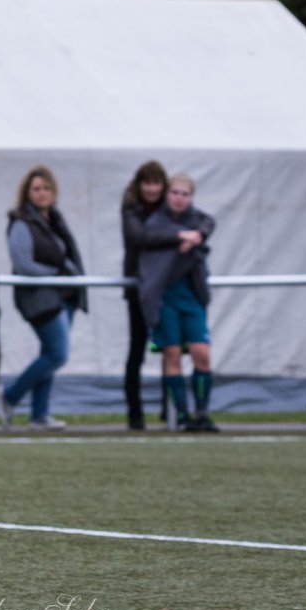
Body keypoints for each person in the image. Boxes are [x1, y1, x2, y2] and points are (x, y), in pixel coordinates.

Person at [0, 166, 86, 431]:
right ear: (27, 193)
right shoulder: (21, 222)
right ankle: (10, 395)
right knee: (58, 353)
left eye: (46, 188)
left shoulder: (54, 221)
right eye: (36, 189)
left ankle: (39, 414)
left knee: (49, 354)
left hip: (64, 296)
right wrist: (58, 274)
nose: (42, 193)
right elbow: (24, 264)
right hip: (40, 298)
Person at [139, 173, 218, 432]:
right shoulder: (156, 223)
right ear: (167, 194)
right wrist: (181, 237)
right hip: (165, 298)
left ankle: (202, 412)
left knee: (201, 354)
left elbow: (208, 223)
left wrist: (196, 236)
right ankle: (182, 416)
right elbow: (150, 239)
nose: (179, 198)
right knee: (171, 354)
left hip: (191, 298)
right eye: (175, 192)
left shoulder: (199, 222)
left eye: (184, 194)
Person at [120, 161, 170, 430]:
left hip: (165, 288)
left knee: (167, 348)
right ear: (139, 185)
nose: (152, 188)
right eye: (147, 183)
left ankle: (169, 408)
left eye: (156, 183)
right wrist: (177, 236)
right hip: (138, 290)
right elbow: (138, 237)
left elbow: (203, 222)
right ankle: (135, 413)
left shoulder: (171, 208)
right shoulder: (131, 208)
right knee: (137, 349)